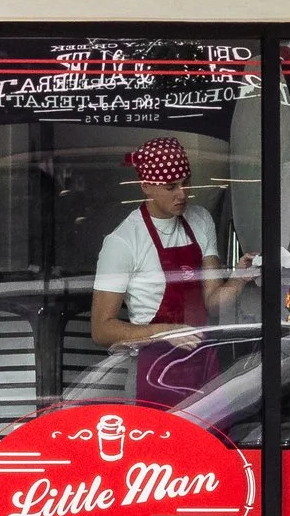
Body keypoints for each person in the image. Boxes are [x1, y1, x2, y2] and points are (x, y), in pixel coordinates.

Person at [90, 137, 256, 405]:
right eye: (171, 187)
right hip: (152, 372)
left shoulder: (201, 220)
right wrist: (167, 332)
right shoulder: (122, 242)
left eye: (185, 182)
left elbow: (212, 303)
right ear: (146, 186)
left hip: (204, 364)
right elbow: (101, 329)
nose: (183, 194)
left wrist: (238, 278)